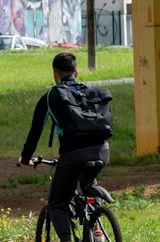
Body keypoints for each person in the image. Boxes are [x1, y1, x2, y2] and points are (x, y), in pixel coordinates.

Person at [19, 52, 110, 237]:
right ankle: (97, 230)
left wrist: (26, 158)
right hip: (102, 150)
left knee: (57, 204)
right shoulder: (89, 92)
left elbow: (35, 131)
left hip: (73, 155)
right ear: (76, 73)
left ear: (55, 74)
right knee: (89, 184)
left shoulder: (51, 96)